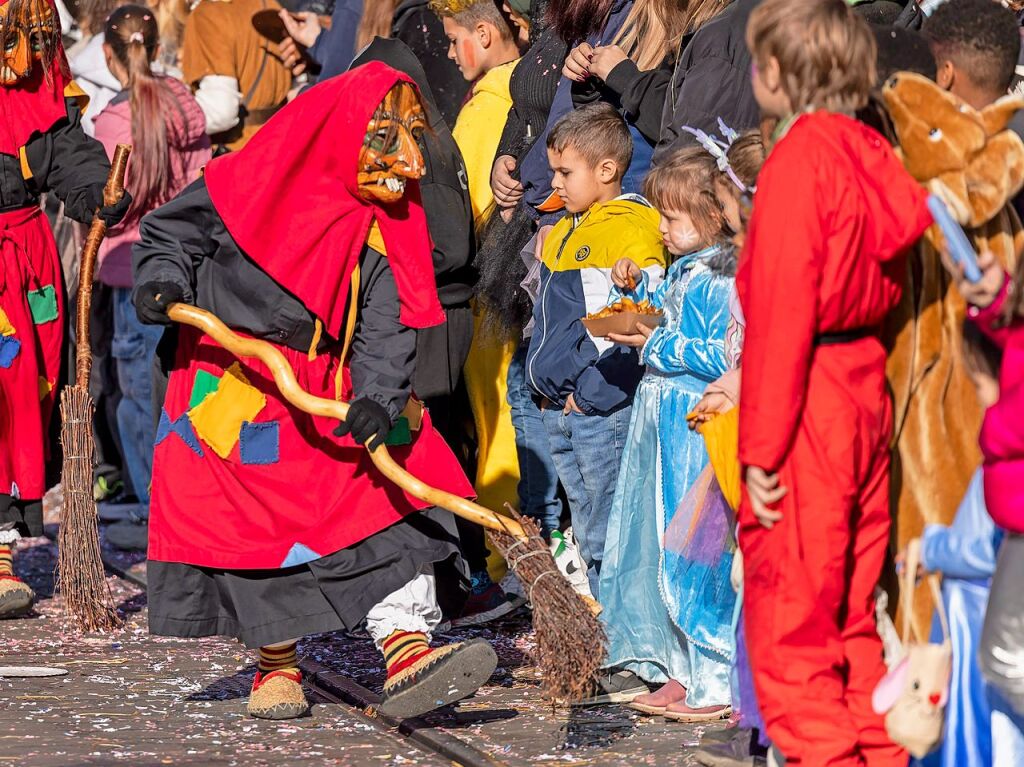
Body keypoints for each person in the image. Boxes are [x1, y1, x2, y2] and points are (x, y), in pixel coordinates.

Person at [131, 63, 496, 720]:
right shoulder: (252, 174)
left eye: (415, 139)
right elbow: (171, 231)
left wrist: (380, 398)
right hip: (231, 386)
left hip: (321, 383)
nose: (410, 164)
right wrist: (162, 278)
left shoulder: (388, 223)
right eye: (388, 140)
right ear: (341, 135)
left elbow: (387, 326)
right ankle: (276, 664)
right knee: (252, 528)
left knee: (388, 491)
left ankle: (409, 647)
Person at [737, 0, 933, 763]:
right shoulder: (872, 151)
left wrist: (760, 450)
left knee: (794, 625)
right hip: (863, 392)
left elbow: (784, 315)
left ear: (780, 73)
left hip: (809, 399)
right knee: (853, 616)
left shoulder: (799, 162)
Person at [0, 0, 130, 619]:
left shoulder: (40, 102)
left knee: (15, 397)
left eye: (28, 40)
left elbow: (71, 159)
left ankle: (0, 554)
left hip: (19, 270)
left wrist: (98, 194)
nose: (18, 56)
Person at [595, 147, 736, 717]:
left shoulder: (722, 278)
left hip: (691, 423)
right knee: (655, 534)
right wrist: (634, 290)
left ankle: (712, 672)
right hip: (658, 419)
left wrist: (652, 343)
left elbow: (721, 353)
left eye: (672, 218)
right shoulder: (685, 269)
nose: (660, 228)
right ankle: (675, 662)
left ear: (710, 216)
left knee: (693, 542)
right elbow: (663, 315)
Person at [526, 102, 667, 610]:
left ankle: (625, 638)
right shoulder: (568, 228)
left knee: (611, 527)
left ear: (606, 170)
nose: (555, 183)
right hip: (563, 409)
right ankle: (605, 630)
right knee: (586, 528)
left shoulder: (629, 227)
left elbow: (638, 317)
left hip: (599, 408)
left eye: (565, 172)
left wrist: (588, 396)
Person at [91, 4, 211, 551]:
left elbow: (103, 203)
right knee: (177, 387)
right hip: (185, 265)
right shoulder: (184, 105)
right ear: (158, 49)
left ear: (110, 58)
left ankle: (151, 508)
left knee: (136, 392)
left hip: (126, 268)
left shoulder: (113, 122)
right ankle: (182, 503)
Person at [908, 322, 1024, 767]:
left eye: (979, 384)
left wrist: (932, 547)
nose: (977, 398)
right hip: (973, 617)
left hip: (978, 623)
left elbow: (986, 551)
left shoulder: (1004, 469)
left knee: (982, 735)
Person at [653, 0, 762, 162]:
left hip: (688, 180)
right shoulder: (726, 26)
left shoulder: (722, 36)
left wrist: (627, 80)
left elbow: (692, 157)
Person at [181, 0, 291, 151]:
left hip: (239, 154)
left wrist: (166, 123)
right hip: (281, 142)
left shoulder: (208, 14)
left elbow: (220, 111)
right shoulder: (270, 4)